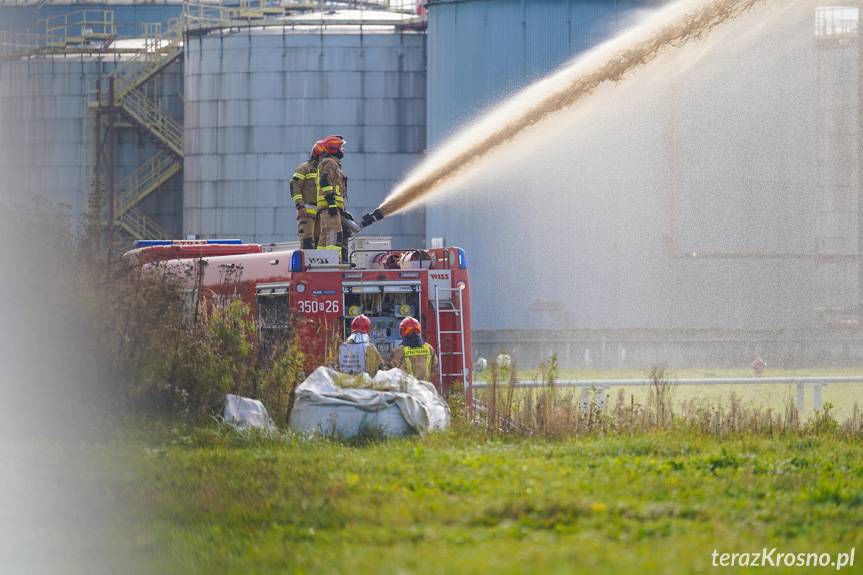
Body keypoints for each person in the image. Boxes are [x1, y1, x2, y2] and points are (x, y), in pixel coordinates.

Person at [314, 135, 348, 261]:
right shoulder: (329, 162)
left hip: (328, 207)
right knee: (334, 233)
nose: (342, 150)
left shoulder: (331, 163)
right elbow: (324, 182)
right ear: (334, 148)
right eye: (340, 147)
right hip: (329, 207)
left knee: (325, 235)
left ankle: (321, 263)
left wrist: (341, 209)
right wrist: (332, 203)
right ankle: (334, 262)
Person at [290, 144, 320, 249]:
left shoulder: (323, 171)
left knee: (319, 241)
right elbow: (295, 186)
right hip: (307, 212)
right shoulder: (304, 168)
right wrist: (300, 206)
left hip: (321, 213)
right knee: (307, 240)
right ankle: (307, 264)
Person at [390, 316, 437, 382]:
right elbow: (435, 368)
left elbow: (390, 371)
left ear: (402, 331)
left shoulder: (399, 351)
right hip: (425, 388)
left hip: (407, 389)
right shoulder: (429, 348)